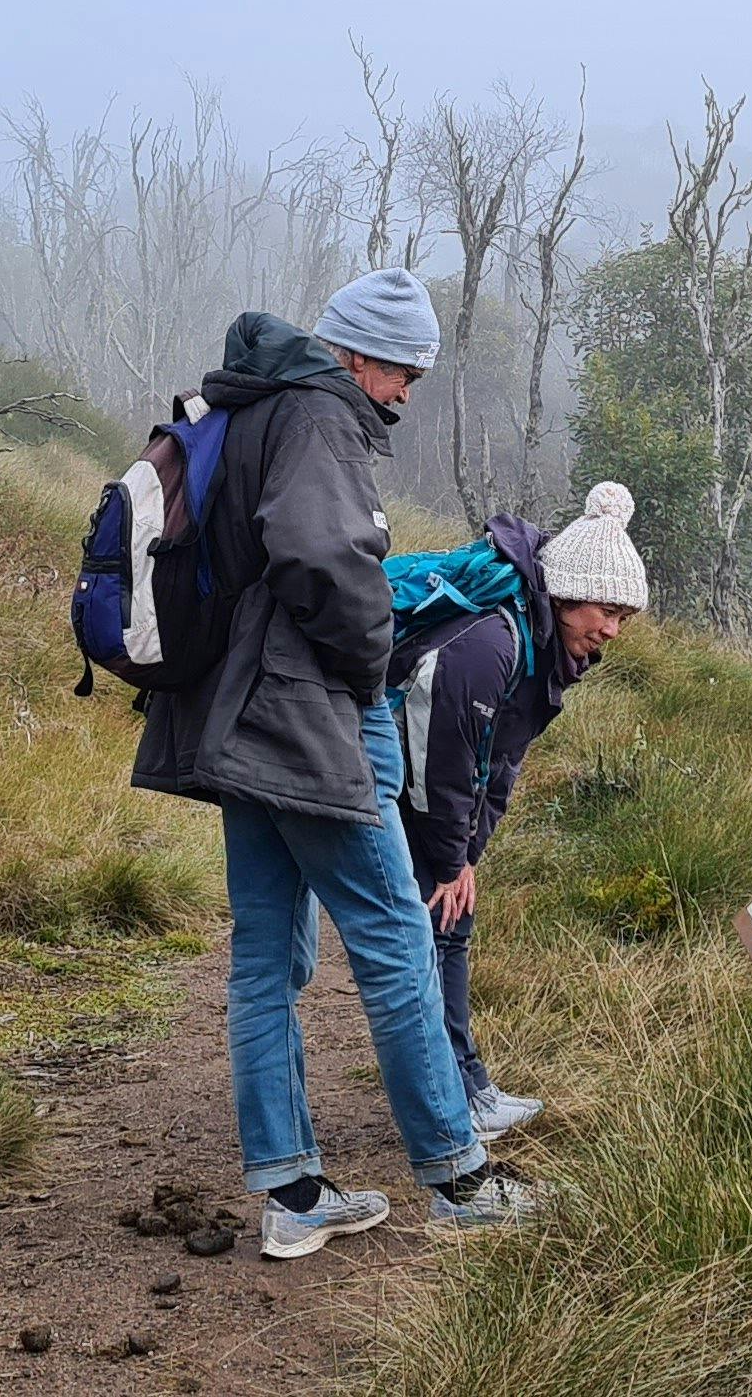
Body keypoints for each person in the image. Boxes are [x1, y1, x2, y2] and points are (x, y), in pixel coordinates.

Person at [127, 268, 533, 1260]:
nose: (403, 395)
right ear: (360, 355)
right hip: (305, 716)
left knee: (266, 954)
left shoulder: (252, 405)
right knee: (394, 938)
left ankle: (295, 1192)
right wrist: (366, 668)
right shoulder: (317, 410)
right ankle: (459, 1178)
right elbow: (320, 555)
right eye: (403, 374)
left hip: (234, 716)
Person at [388, 481, 645, 1142]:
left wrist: (467, 856)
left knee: (449, 926)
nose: (611, 630)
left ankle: (466, 1089)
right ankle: (447, 1107)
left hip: (424, 802)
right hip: (375, 781)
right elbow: (441, 755)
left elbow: (501, 764)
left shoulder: (544, 650)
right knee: (421, 939)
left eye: (623, 617)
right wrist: (448, 861)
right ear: (565, 591)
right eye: (604, 610)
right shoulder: (492, 643)